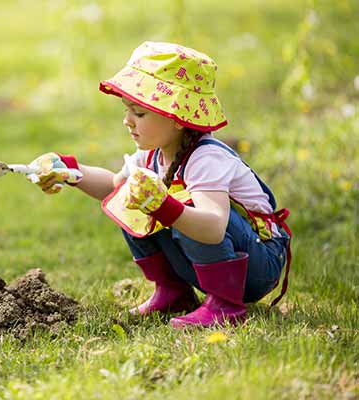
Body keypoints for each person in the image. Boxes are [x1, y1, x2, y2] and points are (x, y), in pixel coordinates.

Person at [26, 42, 292, 328]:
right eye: (128, 110)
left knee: (180, 201)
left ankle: (226, 305)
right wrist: (69, 170)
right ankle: (173, 292)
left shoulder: (205, 158)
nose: (127, 121)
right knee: (128, 193)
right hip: (225, 258)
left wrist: (163, 206)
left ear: (178, 118)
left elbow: (214, 227)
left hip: (257, 264)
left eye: (139, 113)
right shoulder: (152, 152)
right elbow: (113, 185)